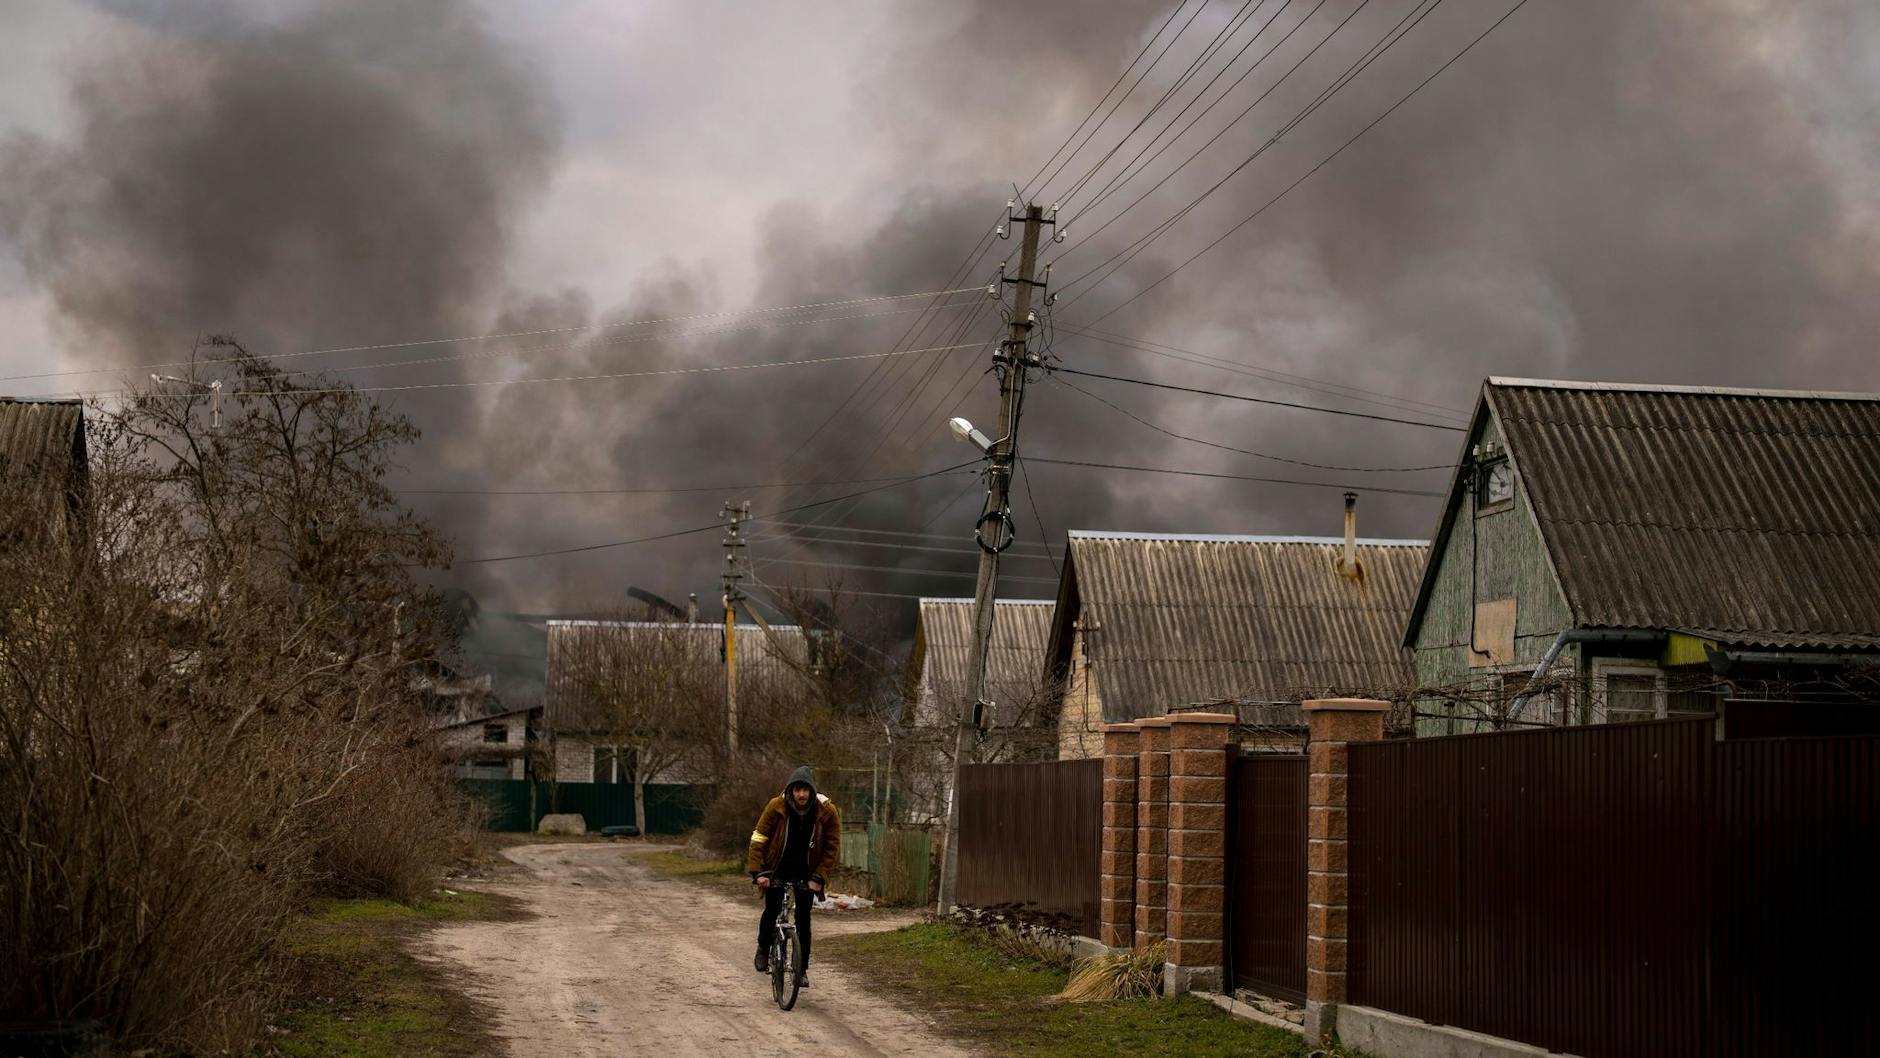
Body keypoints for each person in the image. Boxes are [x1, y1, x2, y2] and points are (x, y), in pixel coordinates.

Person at [746, 765, 841, 986]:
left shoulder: (826, 811)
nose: (801, 794)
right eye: (797, 789)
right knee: (771, 910)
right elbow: (759, 837)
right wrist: (758, 872)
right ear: (790, 790)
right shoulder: (776, 806)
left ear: (812, 791)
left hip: (807, 872)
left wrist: (819, 877)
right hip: (776, 868)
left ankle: (802, 969)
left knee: (804, 920)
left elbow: (831, 847)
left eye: (805, 790)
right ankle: (763, 948)